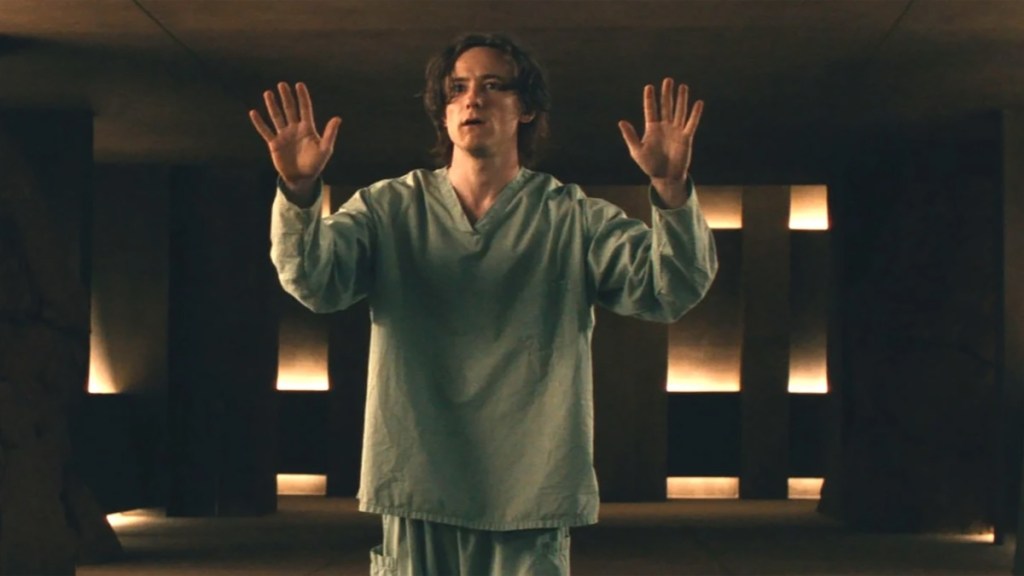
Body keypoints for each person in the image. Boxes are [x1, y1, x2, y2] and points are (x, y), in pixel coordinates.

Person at [250, 32, 718, 576]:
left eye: (493, 85)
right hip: (419, 480)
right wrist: (300, 191)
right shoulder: (390, 209)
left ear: (526, 108)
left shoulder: (569, 217)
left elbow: (671, 288)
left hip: (529, 490)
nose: (473, 99)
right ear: (443, 111)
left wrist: (672, 188)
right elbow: (314, 280)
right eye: (457, 88)